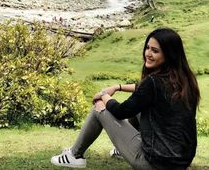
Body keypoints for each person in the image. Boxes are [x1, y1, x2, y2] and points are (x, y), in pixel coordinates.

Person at [51, 28, 200, 169]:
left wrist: (104, 96)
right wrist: (119, 87)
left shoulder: (154, 82)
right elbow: (144, 90)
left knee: (99, 108)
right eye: (147, 48)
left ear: (169, 55)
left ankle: (75, 155)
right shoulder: (185, 80)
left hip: (153, 164)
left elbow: (121, 111)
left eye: (155, 51)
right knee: (139, 109)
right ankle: (121, 150)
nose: (148, 54)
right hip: (179, 163)